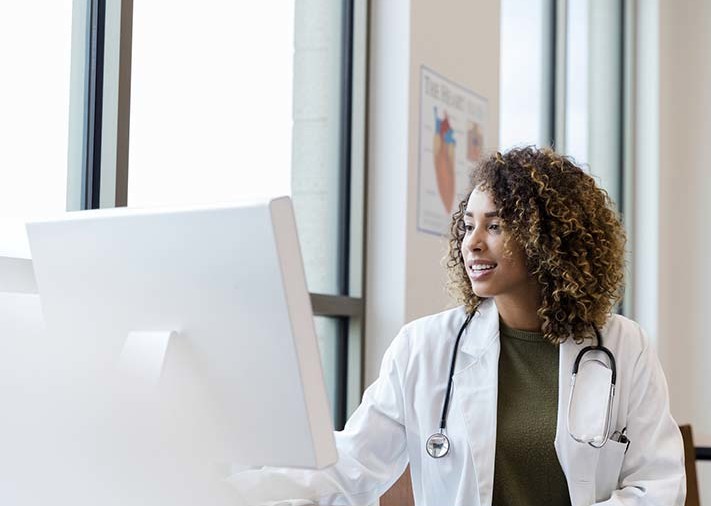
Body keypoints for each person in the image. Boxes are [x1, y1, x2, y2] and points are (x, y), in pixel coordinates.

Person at [229, 146, 686, 506]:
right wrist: (235, 482)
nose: (472, 243)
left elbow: (657, 484)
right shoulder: (424, 347)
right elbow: (352, 463)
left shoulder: (624, 347)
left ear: (546, 238)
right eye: (468, 225)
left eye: (496, 226)